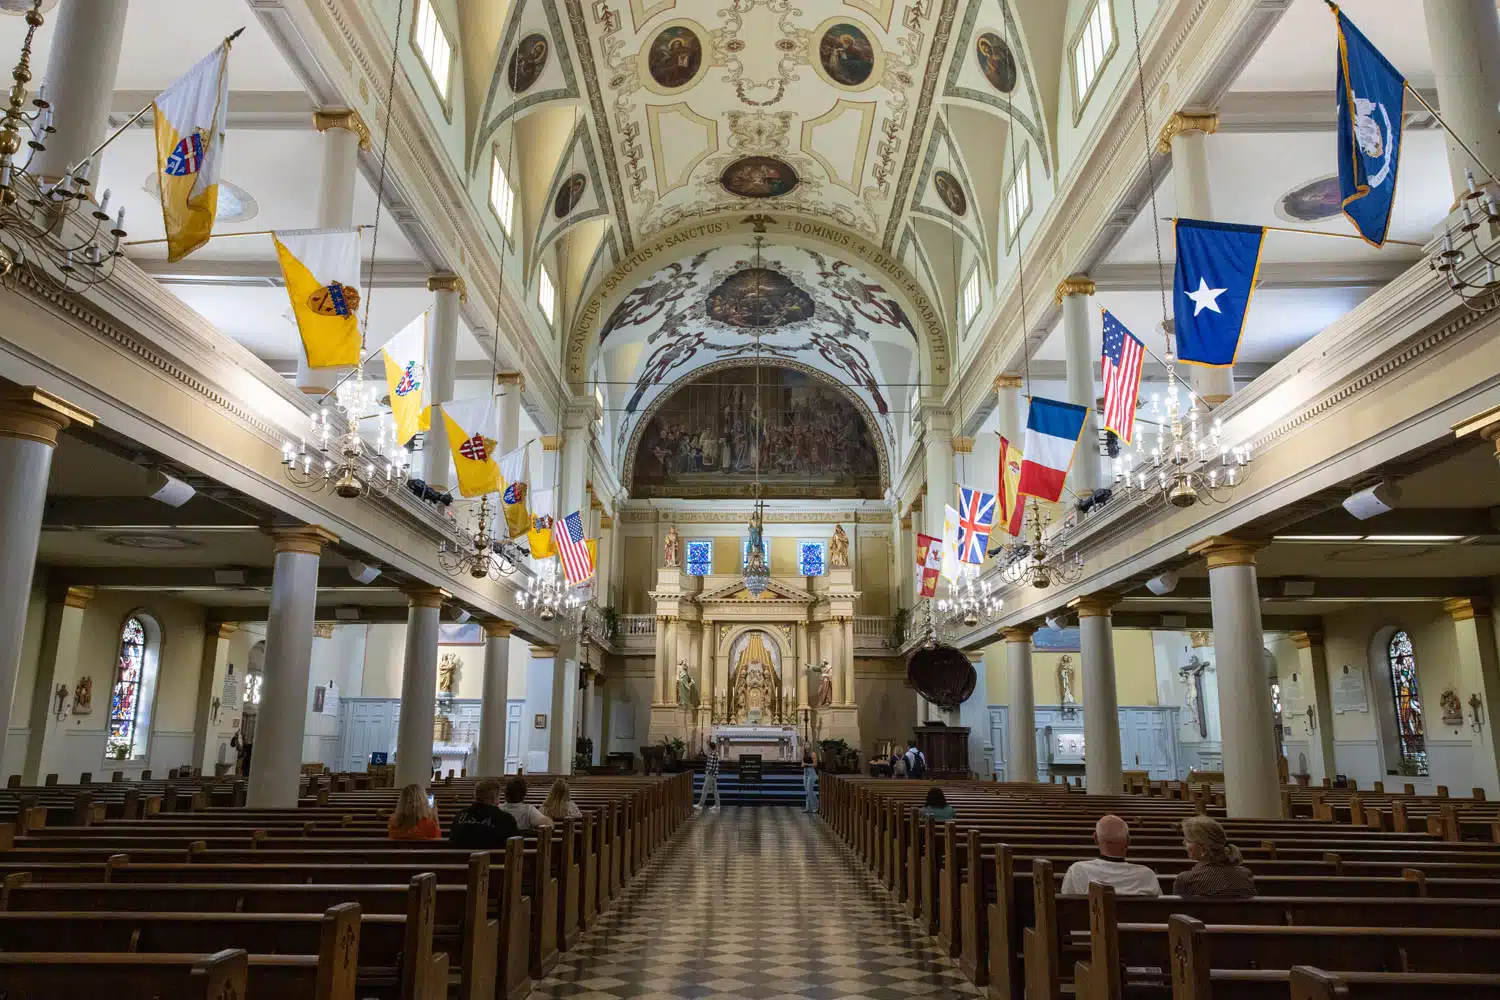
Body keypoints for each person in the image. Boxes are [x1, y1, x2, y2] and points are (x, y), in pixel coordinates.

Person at [1059, 815, 1161, 896]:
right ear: (1128, 841)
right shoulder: (1147, 875)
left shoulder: (1078, 871)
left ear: (1095, 838)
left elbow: (1067, 909)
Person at [1173, 815, 1256, 898]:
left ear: (1204, 848)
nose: (1183, 843)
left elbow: (1178, 909)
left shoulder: (1185, 879)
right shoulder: (1245, 874)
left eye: (1188, 840)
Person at [449, 778, 520, 849]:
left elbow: (452, 839)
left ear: (475, 796)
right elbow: (513, 847)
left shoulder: (460, 815)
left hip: (458, 859)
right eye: (499, 797)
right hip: (494, 859)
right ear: (493, 798)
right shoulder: (506, 819)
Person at [696, 741, 722, 811]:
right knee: (714, 790)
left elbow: (711, 766)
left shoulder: (712, 755)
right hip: (713, 775)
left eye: (708, 746)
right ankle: (717, 805)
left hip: (710, 774)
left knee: (705, 789)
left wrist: (707, 773)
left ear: (710, 747)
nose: (707, 747)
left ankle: (700, 805)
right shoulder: (715, 754)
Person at [802, 749, 818, 813]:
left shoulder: (813, 753)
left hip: (811, 772)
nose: (806, 746)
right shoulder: (804, 754)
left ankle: (815, 807)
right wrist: (806, 764)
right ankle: (808, 808)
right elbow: (802, 765)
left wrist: (806, 764)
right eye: (805, 745)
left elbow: (815, 764)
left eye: (807, 744)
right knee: (807, 791)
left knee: (810, 790)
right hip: (805, 773)